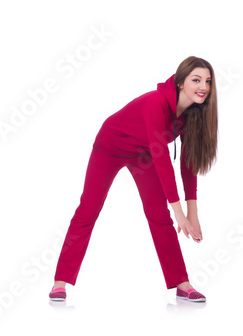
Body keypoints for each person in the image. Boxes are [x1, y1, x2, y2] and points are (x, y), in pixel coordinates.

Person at [50, 56, 217, 303]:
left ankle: (182, 283)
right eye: (196, 80)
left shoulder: (193, 114)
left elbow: (188, 163)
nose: (203, 86)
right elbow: (162, 160)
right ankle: (59, 282)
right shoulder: (156, 103)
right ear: (180, 82)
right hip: (110, 146)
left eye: (208, 81)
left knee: (159, 215)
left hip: (143, 153)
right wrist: (180, 212)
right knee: (88, 209)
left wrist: (192, 213)